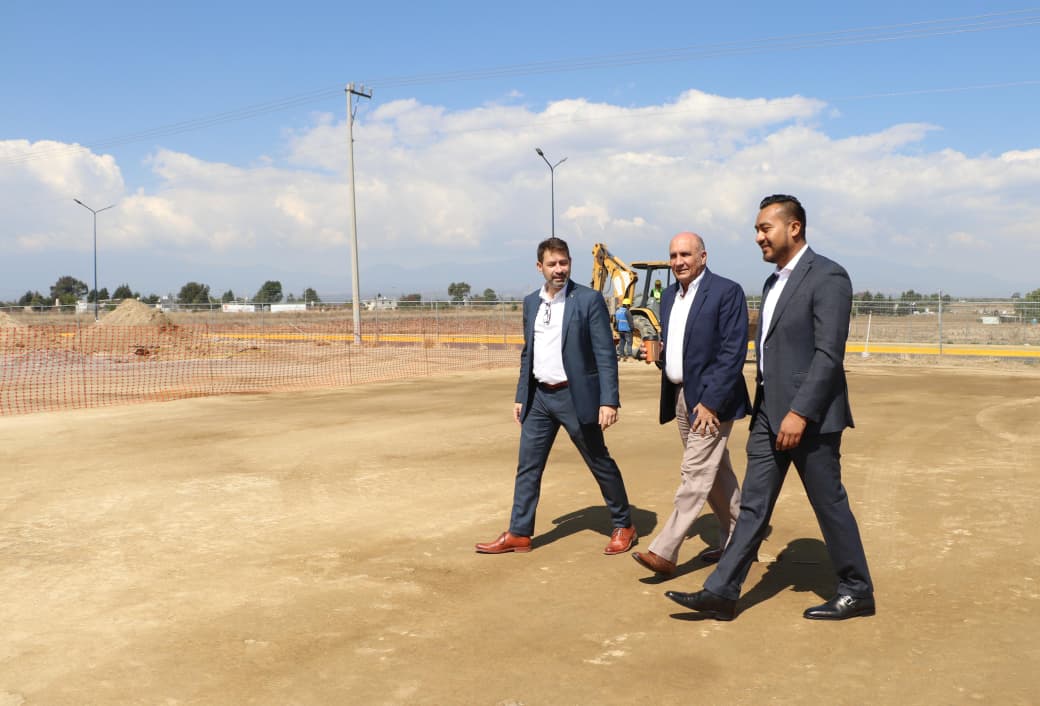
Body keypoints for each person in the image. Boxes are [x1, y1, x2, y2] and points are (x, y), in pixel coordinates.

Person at [665, 195, 875, 621]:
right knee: (754, 507)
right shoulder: (772, 282)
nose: (758, 237)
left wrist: (801, 412)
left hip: (810, 419)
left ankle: (857, 590)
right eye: (757, 230)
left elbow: (828, 355)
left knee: (828, 503)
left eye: (765, 228)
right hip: (768, 414)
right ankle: (722, 592)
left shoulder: (828, 276)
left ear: (793, 228)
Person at [476, 237, 638, 556]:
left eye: (563, 263)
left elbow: (605, 354)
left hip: (575, 397)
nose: (559, 269)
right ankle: (519, 533)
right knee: (528, 467)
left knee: (599, 461)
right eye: (552, 264)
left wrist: (609, 400)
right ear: (540, 267)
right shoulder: (531, 303)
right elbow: (529, 353)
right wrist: (521, 395)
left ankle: (624, 525)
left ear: (570, 263)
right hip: (539, 398)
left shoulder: (588, 300)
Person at [632, 233, 750, 576]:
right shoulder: (670, 296)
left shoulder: (727, 292)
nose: (678, 261)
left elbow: (732, 352)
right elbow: (680, 346)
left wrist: (711, 403)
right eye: (673, 255)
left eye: (685, 254)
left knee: (695, 472)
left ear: (703, 257)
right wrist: (659, 357)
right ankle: (741, 541)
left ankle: (665, 551)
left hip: (711, 401)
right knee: (716, 474)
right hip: (681, 396)